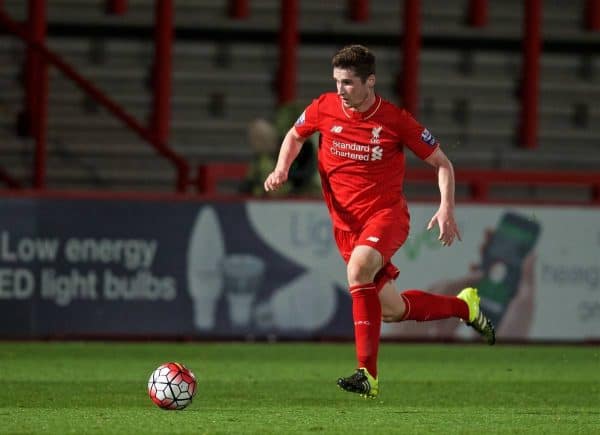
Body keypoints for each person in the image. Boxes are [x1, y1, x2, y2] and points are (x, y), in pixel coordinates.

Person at [264, 44, 495, 399]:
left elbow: (443, 164)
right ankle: (466, 306)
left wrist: (446, 207)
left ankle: (367, 375)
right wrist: (282, 168)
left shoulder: (395, 120)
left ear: (370, 81)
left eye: (349, 83)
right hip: (346, 226)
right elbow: (295, 135)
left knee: (358, 271)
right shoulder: (323, 107)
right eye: (337, 82)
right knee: (391, 309)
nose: (340, 90)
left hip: (386, 217)